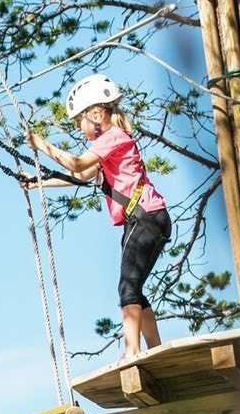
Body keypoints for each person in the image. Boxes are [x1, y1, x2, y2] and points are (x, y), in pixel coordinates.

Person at [24, 73, 172, 360]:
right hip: (149, 219)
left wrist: (42, 145)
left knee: (127, 286)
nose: (80, 129)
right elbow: (79, 174)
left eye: (80, 120)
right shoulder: (114, 144)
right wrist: (36, 181)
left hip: (144, 218)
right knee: (135, 289)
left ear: (96, 113)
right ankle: (156, 350)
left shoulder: (112, 137)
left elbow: (78, 162)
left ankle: (132, 352)